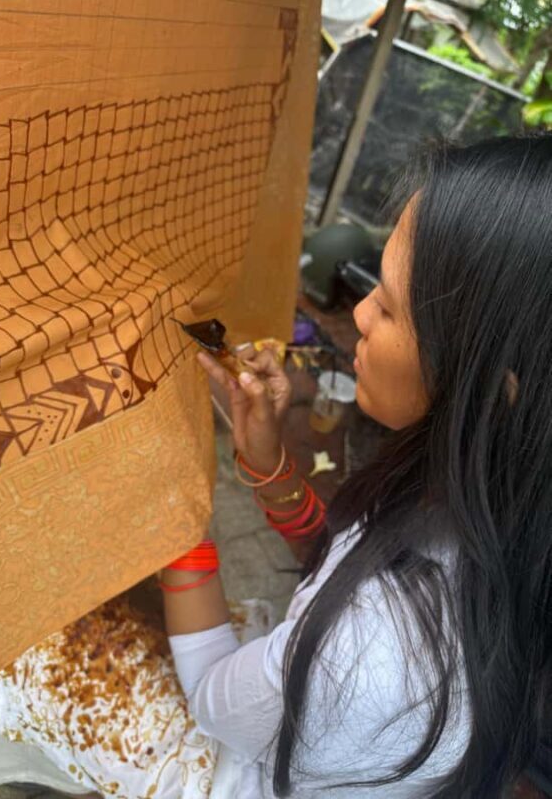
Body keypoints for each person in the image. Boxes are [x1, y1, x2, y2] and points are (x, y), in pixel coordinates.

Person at [161, 133, 552, 798]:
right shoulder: (490, 512)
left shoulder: (368, 652)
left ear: (493, 392)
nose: (360, 314)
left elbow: (211, 700)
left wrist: (174, 524)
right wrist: (267, 464)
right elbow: (342, 550)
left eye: (390, 306)